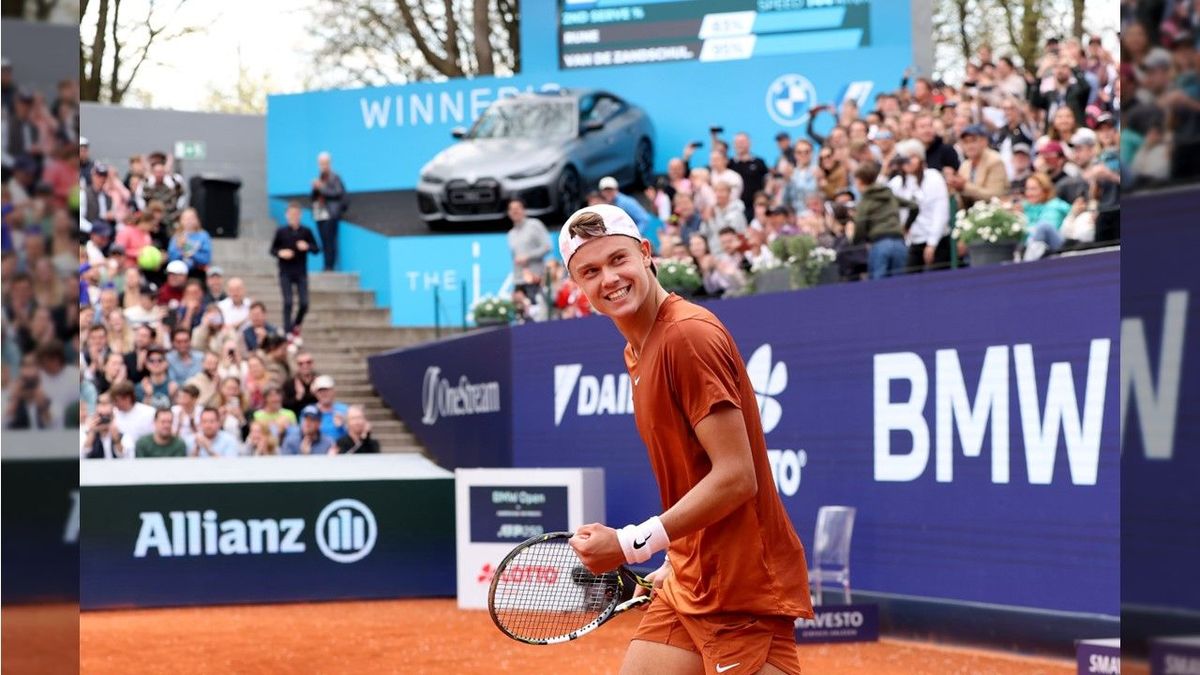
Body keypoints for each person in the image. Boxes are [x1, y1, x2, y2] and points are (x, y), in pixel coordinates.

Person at [559, 203, 813, 675]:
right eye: (590, 271)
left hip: (739, 581)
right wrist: (677, 556)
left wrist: (633, 544)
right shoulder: (638, 351)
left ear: (646, 254)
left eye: (618, 260)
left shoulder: (687, 336)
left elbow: (738, 477)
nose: (609, 278)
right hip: (692, 572)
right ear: (579, 287)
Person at [889, 139, 950, 272]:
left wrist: (932, 243)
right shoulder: (897, 183)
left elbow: (940, 212)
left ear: (921, 158)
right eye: (905, 158)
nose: (909, 162)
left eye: (913, 157)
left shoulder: (933, 177)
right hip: (913, 242)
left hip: (938, 240)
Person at [853, 162, 920, 279]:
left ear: (860, 181)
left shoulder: (865, 201)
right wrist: (906, 227)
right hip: (899, 243)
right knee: (900, 287)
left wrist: (853, 238)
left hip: (879, 244)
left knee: (879, 290)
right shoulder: (889, 194)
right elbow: (914, 206)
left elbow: (860, 227)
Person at [270, 201, 320, 337]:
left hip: (300, 271)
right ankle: (287, 332)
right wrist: (281, 253)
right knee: (288, 301)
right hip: (285, 271)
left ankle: (295, 325)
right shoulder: (281, 232)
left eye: (296, 214)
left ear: (300, 215)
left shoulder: (306, 231)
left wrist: (307, 246)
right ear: (287, 215)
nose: (294, 217)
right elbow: (273, 250)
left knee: (304, 303)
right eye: (291, 214)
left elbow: (316, 249)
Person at [311, 152, 347, 271]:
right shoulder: (320, 177)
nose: (323, 166)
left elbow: (338, 193)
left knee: (329, 239)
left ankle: (329, 266)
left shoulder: (335, 177)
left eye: (325, 163)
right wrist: (315, 188)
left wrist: (321, 187)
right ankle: (326, 265)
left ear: (329, 163)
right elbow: (314, 197)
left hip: (331, 213)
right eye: (321, 163)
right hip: (320, 213)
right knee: (323, 240)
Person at [506, 198, 551, 279]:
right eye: (511, 209)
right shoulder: (510, 234)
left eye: (517, 208)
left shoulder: (534, 225)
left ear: (523, 210)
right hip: (519, 279)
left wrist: (528, 256)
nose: (514, 212)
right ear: (509, 213)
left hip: (537, 277)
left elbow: (547, 247)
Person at [311, 375, 348, 441]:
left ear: (333, 391)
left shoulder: (345, 410)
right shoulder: (309, 412)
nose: (324, 393)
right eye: (320, 391)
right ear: (315, 394)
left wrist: (343, 425)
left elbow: (354, 435)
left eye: (327, 390)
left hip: (341, 449)